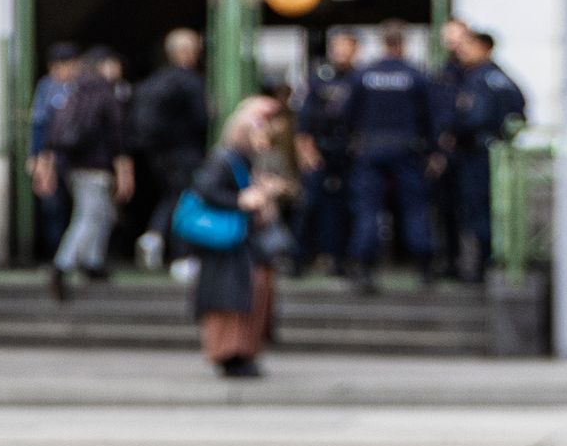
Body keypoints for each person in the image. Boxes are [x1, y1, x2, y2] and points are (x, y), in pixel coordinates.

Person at [185, 96, 289, 376]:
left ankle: (242, 352)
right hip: (228, 245)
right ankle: (230, 353)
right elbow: (207, 189)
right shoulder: (225, 159)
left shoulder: (246, 160)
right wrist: (241, 201)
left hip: (241, 244)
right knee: (229, 302)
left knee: (249, 298)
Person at [344, 23, 444, 290]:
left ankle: (364, 268)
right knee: (415, 208)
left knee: (368, 210)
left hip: (371, 149)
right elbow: (431, 117)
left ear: (382, 42)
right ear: (403, 43)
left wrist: (355, 141)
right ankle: (425, 267)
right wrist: (434, 151)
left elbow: (346, 114)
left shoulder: (364, 75)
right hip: (407, 150)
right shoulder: (416, 75)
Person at [437, 22, 530, 282]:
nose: (463, 51)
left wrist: (453, 130)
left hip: (477, 153)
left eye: (469, 45)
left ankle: (482, 266)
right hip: (487, 151)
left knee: (478, 209)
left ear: (484, 48)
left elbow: (473, 117)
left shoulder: (481, 78)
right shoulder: (498, 77)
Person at [126, 28, 212, 271]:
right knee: (187, 201)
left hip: (158, 154)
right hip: (185, 152)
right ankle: (183, 256)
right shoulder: (190, 81)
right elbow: (201, 119)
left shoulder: (154, 80)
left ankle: (154, 235)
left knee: (172, 196)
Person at [46, 49, 128, 296]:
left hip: (74, 164)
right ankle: (63, 264)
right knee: (89, 216)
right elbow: (116, 134)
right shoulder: (103, 92)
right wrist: (121, 166)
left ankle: (93, 262)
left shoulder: (73, 91)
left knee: (102, 213)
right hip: (95, 165)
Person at [292, 29, 363, 276]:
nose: (340, 52)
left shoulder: (360, 79)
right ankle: (299, 259)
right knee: (309, 205)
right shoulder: (319, 79)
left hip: (349, 154)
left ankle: (340, 260)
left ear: (355, 50)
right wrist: (305, 150)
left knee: (345, 208)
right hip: (319, 151)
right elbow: (304, 120)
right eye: (337, 47)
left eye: (346, 47)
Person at [25, 43, 82, 262]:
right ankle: (55, 256)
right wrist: (36, 156)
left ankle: (74, 256)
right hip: (51, 158)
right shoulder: (47, 87)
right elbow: (39, 124)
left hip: (76, 157)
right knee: (53, 208)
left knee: (78, 208)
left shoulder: (81, 87)